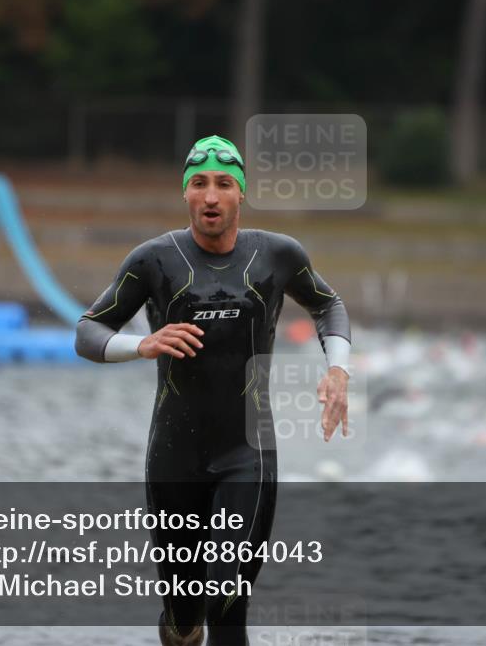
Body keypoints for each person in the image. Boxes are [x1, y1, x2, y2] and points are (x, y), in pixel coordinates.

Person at [75, 135, 351, 646]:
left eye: (224, 184)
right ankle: (181, 627)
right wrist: (142, 344)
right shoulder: (154, 261)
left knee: (227, 598)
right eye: (199, 183)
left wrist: (338, 370)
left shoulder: (278, 255)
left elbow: (327, 304)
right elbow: (88, 332)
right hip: (173, 457)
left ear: (241, 193)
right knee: (184, 618)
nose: (210, 196)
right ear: (184, 192)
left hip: (248, 453)